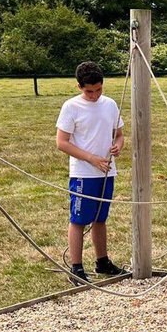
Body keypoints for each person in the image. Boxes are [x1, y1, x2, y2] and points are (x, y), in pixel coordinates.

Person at [55, 61, 125, 284]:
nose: (95, 95)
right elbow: (62, 142)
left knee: (100, 219)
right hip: (83, 174)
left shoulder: (111, 104)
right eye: (89, 91)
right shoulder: (71, 107)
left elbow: (119, 134)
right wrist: (91, 158)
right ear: (79, 87)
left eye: (99, 90)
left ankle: (102, 261)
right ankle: (76, 267)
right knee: (79, 220)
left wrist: (118, 145)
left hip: (106, 173)